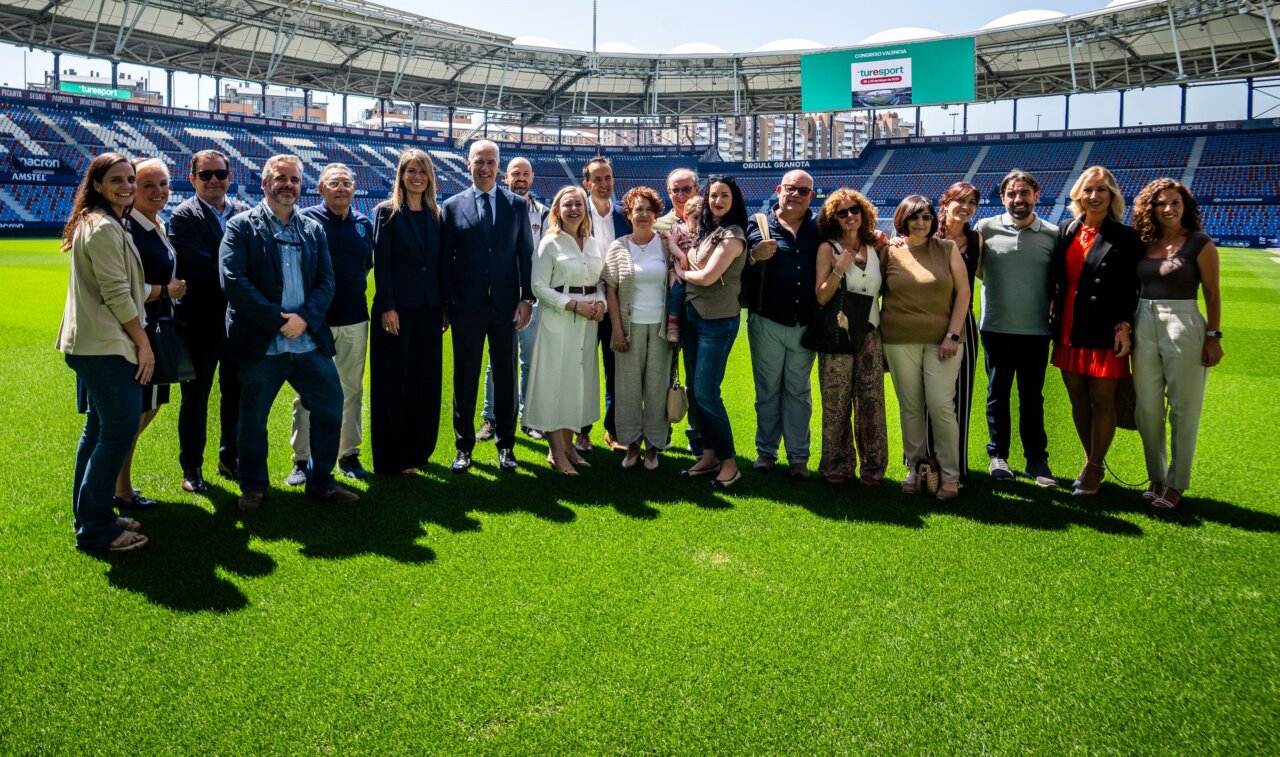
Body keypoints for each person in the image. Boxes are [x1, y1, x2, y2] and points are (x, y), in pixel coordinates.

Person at [219, 154, 359, 510]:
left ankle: (321, 480)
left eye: (295, 180)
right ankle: (253, 486)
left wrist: (305, 320)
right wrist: (279, 321)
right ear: (265, 183)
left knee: (330, 405)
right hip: (263, 343)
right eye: (281, 178)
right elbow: (234, 282)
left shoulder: (312, 230)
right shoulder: (241, 226)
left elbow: (327, 282)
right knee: (252, 418)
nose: (288, 185)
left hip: (308, 341)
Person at [56, 152, 152, 552]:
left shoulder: (102, 223)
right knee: (117, 429)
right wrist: (144, 344)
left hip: (93, 343)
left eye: (131, 179)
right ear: (96, 185)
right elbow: (116, 294)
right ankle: (95, 529)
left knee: (97, 429)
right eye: (117, 179)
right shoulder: (101, 228)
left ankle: (91, 515)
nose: (127, 186)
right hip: (105, 346)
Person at [441, 140, 535, 474]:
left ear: (499, 166)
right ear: (469, 163)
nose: (485, 167)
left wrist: (527, 299)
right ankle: (463, 446)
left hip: (506, 306)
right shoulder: (452, 206)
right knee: (465, 377)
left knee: (506, 378)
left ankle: (506, 446)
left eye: (491, 162)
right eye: (479, 161)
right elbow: (445, 261)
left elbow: (525, 253)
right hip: (466, 307)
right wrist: (445, 305)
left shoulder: (516, 205)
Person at [1131, 178, 1223, 509]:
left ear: (1185, 207)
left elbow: (1212, 292)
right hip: (1144, 321)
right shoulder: (1145, 242)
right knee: (1147, 408)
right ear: (1150, 208)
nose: (1168, 209)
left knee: (1183, 409)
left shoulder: (1199, 243)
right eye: (1161, 204)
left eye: (1175, 203)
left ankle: (1177, 483)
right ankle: (1156, 476)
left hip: (1184, 322)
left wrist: (1213, 337)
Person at [1050, 166, 1142, 496]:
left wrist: (1124, 325)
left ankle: (1095, 468)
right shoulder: (1066, 229)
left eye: (1102, 190)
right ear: (1078, 194)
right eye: (1088, 190)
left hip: (1104, 330)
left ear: (1112, 195)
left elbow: (1133, 287)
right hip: (1069, 329)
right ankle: (1089, 459)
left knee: (1103, 401)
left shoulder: (1125, 236)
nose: (1094, 196)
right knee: (1078, 400)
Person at [285, 163, 375, 485]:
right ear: (320, 189)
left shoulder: (364, 224)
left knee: (352, 390)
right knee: (309, 392)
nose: (341, 188)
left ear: (354, 188)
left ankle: (347, 453)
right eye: (333, 183)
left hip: (354, 320)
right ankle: (302, 458)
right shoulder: (305, 220)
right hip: (315, 322)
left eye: (346, 183)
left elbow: (366, 268)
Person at [881, 196, 971, 500]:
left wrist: (954, 335)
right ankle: (916, 467)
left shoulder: (946, 249)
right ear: (902, 220)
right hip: (898, 338)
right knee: (910, 407)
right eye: (914, 217)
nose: (921, 223)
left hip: (942, 342)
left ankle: (950, 476)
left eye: (927, 217)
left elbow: (964, 293)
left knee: (940, 405)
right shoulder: (889, 253)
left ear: (934, 221)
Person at [169, 149, 249, 494]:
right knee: (196, 397)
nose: (214, 180)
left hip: (237, 323)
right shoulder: (183, 216)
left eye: (220, 173)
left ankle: (230, 458)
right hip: (199, 323)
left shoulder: (244, 213)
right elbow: (201, 268)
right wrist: (242, 281)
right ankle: (192, 467)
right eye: (206, 175)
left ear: (230, 176)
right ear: (193, 179)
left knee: (236, 394)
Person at [975, 171, 1059, 487]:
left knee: (1031, 398)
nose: (1018, 200)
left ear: (1036, 195)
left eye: (1024, 193)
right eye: (1011, 194)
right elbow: (976, 267)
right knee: (997, 395)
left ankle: (1037, 461)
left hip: (1036, 330)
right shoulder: (986, 228)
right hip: (996, 327)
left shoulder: (1052, 234)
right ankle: (998, 455)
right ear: (1003, 198)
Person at [115, 158, 188, 510]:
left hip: (159, 328)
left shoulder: (157, 224)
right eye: (148, 185)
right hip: (139, 331)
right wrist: (166, 291)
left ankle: (118, 482)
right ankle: (121, 488)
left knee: (150, 406)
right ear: (133, 189)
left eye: (163, 184)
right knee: (136, 410)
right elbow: (123, 287)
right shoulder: (128, 229)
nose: (158, 191)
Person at [369, 149, 446, 476]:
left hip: (429, 311)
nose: (417, 177)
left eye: (423, 172)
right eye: (410, 171)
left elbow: (440, 265)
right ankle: (392, 457)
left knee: (424, 383)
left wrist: (443, 308)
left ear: (429, 177)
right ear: (401, 175)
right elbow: (382, 263)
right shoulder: (387, 212)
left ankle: (418, 450)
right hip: (396, 311)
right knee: (393, 383)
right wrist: (387, 305)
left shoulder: (435, 214)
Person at [744, 169, 821, 480]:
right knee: (767, 391)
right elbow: (743, 261)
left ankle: (799, 458)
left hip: (806, 324)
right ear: (778, 190)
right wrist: (754, 255)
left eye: (803, 191)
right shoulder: (759, 222)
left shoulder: (820, 228)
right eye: (791, 188)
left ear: (811, 197)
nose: (796, 195)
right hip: (767, 321)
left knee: (798, 392)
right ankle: (766, 453)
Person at [523, 186, 606, 474]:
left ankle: (570, 446)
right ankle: (556, 452)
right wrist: (571, 305)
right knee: (555, 384)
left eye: (579, 204)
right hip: (559, 320)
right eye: (568, 204)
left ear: (585, 209)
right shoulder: (550, 242)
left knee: (577, 384)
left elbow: (600, 282)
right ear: (557, 210)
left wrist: (601, 305)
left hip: (587, 323)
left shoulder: (593, 243)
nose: (574, 209)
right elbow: (538, 286)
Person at [813, 189, 888, 486]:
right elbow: (820, 297)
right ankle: (836, 463)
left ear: (864, 211)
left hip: (869, 332)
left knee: (872, 402)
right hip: (838, 334)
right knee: (836, 402)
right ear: (833, 219)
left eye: (854, 209)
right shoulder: (827, 248)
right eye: (841, 213)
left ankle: (873, 466)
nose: (849, 216)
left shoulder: (876, 246)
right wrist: (838, 269)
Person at [680, 176, 749, 490]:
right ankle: (709, 454)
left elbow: (706, 276)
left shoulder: (734, 234)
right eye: (712, 195)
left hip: (718, 320)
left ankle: (730, 463)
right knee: (697, 391)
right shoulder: (707, 230)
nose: (718, 201)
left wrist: (680, 272)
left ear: (734, 199)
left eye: (724, 195)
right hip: (694, 316)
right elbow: (695, 262)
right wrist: (687, 264)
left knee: (707, 391)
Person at [479, 156, 549, 442]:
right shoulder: (499, 206)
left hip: (531, 298)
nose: (520, 178)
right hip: (501, 297)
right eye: (515, 174)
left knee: (530, 361)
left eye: (525, 174)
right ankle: (490, 418)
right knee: (497, 361)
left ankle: (529, 418)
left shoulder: (544, 213)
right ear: (505, 177)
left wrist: (532, 294)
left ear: (532, 178)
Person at [603, 186, 673, 470]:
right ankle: (632, 444)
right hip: (629, 328)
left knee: (657, 388)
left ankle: (654, 446)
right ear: (629, 214)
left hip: (660, 328)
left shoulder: (667, 244)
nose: (643, 215)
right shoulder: (618, 246)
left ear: (656, 213)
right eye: (637, 210)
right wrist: (617, 330)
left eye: (648, 209)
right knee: (628, 389)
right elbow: (610, 290)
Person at [929, 182, 982, 481]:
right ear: (946, 202)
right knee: (929, 396)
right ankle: (925, 460)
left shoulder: (976, 240)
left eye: (972, 202)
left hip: (963, 324)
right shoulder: (928, 233)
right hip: (929, 320)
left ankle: (956, 465)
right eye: (960, 201)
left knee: (960, 396)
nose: (965, 207)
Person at [578, 156, 632, 453]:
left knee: (616, 372)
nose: (603, 184)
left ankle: (613, 431)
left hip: (616, 307)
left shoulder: (625, 216)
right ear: (586, 183)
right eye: (597, 179)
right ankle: (581, 432)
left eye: (607, 177)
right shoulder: (574, 212)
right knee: (583, 371)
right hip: (585, 306)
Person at [655, 168, 703, 450]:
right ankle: (662, 432)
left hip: (699, 312)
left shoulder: (708, 222)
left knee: (698, 378)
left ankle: (697, 434)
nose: (682, 195)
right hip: (665, 312)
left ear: (697, 190)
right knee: (662, 376)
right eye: (676, 190)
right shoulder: (658, 225)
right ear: (668, 191)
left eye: (687, 189)